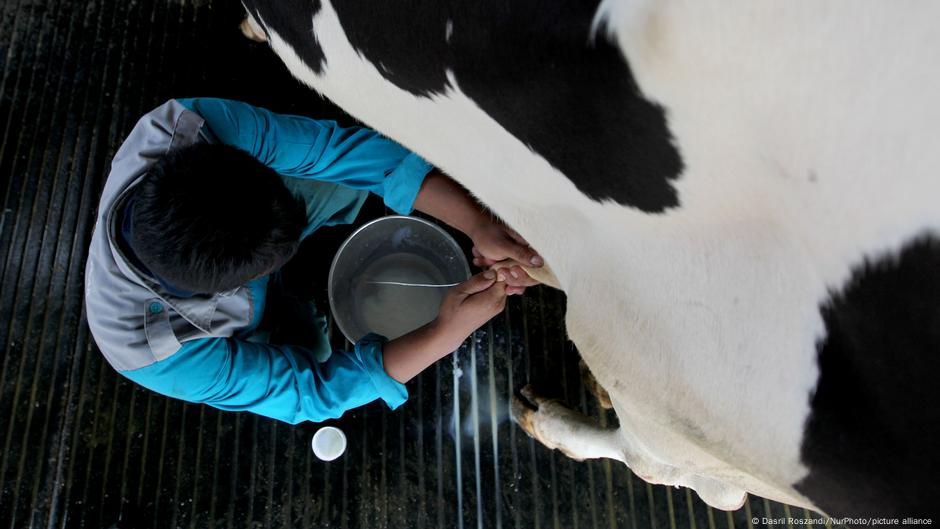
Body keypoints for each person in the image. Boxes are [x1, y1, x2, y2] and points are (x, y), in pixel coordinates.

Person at [84, 97, 541, 424]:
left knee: (343, 179)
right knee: (315, 355)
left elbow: (331, 151)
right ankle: (287, 312)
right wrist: (444, 334)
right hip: (245, 328)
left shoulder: (186, 126)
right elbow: (315, 393)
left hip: (243, 226)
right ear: (218, 293)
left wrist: (476, 223)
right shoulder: (154, 354)